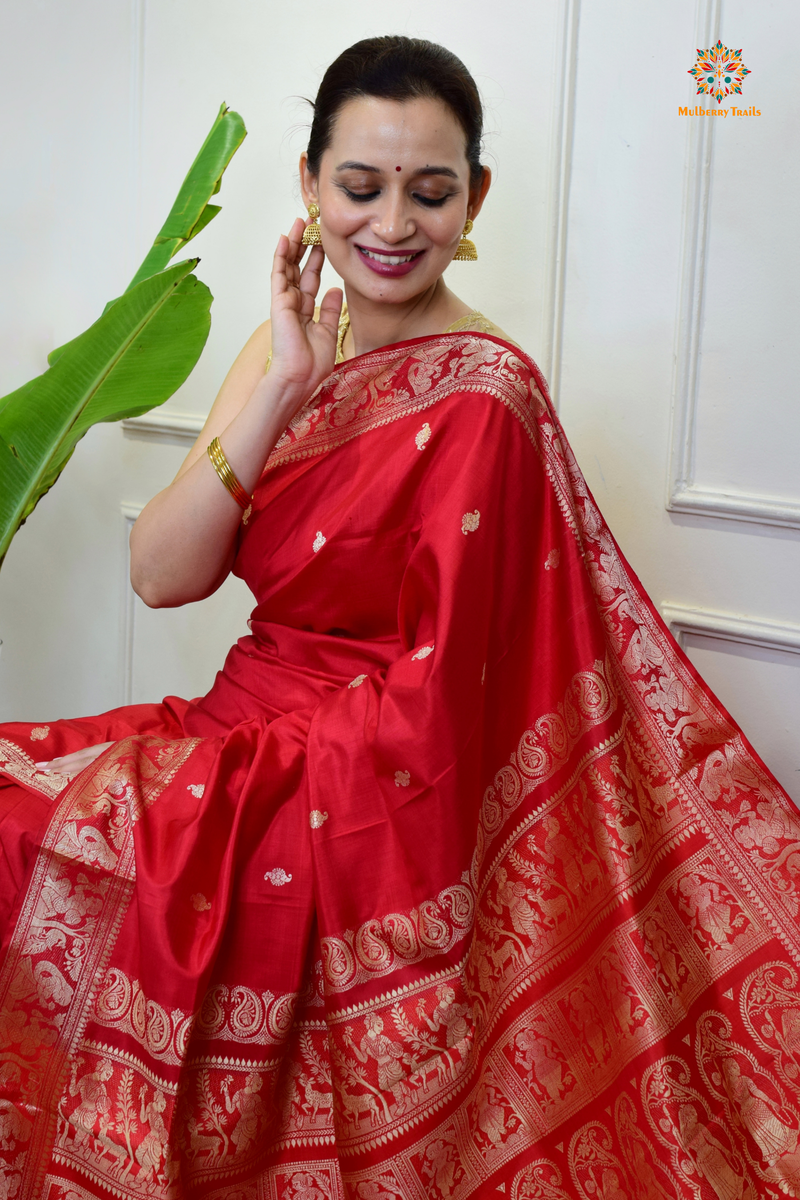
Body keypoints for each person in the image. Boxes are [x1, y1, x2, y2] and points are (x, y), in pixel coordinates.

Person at [0, 34, 797, 1200]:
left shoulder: (485, 391)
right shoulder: (274, 357)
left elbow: (443, 699)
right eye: (358, 187)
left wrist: (249, 798)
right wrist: (282, 379)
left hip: (348, 781)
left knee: (125, 861)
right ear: (310, 186)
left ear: (472, 199)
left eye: (429, 192)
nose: (390, 223)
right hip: (231, 722)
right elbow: (161, 576)